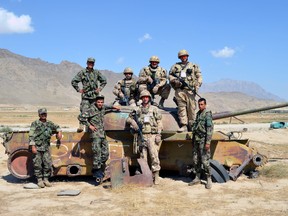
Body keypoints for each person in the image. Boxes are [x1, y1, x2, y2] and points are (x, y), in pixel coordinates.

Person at [78, 95, 120, 185]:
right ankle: (97, 175)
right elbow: (81, 117)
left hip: (102, 135)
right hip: (95, 135)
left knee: (105, 154)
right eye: (99, 102)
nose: (100, 104)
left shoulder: (103, 107)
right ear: (96, 102)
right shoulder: (91, 110)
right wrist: (89, 126)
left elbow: (108, 106)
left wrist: (114, 107)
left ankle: (97, 169)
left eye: (101, 102)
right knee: (97, 154)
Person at [126, 90, 163, 185]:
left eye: (147, 97)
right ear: (141, 98)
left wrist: (159, 134)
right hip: (142, 136)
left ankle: (156, 176)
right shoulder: (137, 109)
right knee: (143, 157)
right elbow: (129, 118)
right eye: (143, 97)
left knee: (154, 156)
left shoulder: (154, 109)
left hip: (152, 135)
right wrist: (133, 122)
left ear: (149, 98)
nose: (145, 98)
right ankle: (146, 176)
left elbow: (159, 122)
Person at [169, 49, 202, 132]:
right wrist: (175, 81)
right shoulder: (175, 67)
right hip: (180, 91)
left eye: (185, 56)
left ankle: (192, 126)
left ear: (187, 56)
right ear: (180, 57)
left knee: (191, 109)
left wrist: (197, 87)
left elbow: (199, 77)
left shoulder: (194, 66)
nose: (183, 58)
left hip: (190, 90)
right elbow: (170, 76)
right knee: (181, 108)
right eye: (182, 56)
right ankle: (184, 125)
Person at [29, 108, 62, 188]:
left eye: (45, 114)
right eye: (42, 114)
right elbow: (31, 136)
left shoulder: (50, 123)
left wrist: (59, 132)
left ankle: (46, 179)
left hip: (46, 147)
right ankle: (39, 180)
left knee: (47, 164)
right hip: (37, 147)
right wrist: (33, 146)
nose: (44, 115)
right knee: (38, 164)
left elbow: (57, 127)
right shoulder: (35, 124)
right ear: (39, 115)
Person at [71, 57, 107, 132]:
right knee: (84, 111)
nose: (91, 64)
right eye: (89, 62)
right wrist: (79, 90)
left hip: (94, 97)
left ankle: (92, 128)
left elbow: (104, 81)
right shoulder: (82, 72)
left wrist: (99, 89)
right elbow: (74, 81)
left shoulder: (96, 72)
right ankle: (81, 126)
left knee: (94, 112)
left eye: (92, 63)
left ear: (94, 64)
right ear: (87, 63)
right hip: (86, 96)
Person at [188, 98, 214, 189]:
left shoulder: (207, 115)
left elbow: (209, 130)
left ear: (205, 105)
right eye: (199, 104)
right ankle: (197, 177)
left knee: (205, 161)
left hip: (203, 140)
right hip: (196, 140)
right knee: (196, 160)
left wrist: (208, 142)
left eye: (202, 104)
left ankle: (209, 178)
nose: (200, 106)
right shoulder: (198, 114)